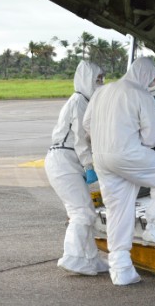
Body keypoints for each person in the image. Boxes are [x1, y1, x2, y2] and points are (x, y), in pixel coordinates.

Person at [83, 57, 155, 286]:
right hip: (127, 153)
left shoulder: (102, 91)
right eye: (151, 80)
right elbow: (150, 136)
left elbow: (87, 124)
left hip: (101, 157)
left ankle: (121, 270)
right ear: (146, 75)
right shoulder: (140, 94)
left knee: (118, 210)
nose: (151, 84)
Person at [44, 60, 108, 276]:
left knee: (85, 211)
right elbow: (81, 139)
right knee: (81, 212)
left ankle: (90, 258)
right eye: (96, 79)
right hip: (64, 161)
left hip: (69, 161)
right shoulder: (79, 101)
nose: (100, 83)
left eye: (101, 79)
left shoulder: (86, 102)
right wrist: (89, 166)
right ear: (86, 80)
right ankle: (72, 257)